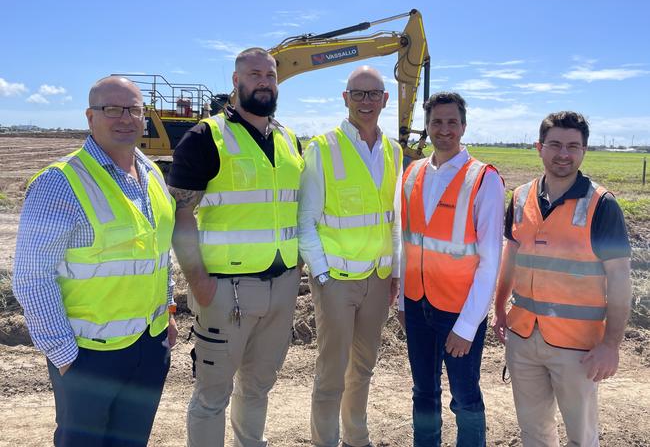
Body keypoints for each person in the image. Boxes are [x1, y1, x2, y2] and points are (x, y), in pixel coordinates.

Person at [12, 76, 177, 447]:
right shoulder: (60, 182)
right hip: (89, 355)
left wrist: (167, 311)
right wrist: (66, 358)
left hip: (149, 347)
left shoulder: (151, 173)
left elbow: (157, 252)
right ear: (90, 117)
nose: (125, 118)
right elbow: (31, 277)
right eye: (112, 109)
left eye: (134, 109)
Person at [168, 47, 304, 447]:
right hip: (225, 290)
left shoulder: (288, 139)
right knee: (212, 396)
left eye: (271, 75)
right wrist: (200, 284)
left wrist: (295, 273)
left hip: (280, 287)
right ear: (236, 81)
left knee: (258, 388)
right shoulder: (206, 137)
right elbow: (180, 217)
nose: (264, 81)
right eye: (255, 74)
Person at [492, 111, 632, 446]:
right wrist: (499, 311)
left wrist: (611, 345)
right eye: (554, 144)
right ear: (539, 147)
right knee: (534, 431)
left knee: (581, 436)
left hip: (579, 346)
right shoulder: (521, 197)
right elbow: (510, 258)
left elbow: (620, 280)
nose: (563, 154)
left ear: (584, 151)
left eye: (573, 146)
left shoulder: (603, 205)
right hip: (523, 336)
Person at [298, 65, 402, 447]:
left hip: (377, 279)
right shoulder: (322, 149)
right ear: (345, 99)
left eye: (373, 94)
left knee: (363, 367)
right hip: (336, 281)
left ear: (385, 100)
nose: (366, 101)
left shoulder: (393, 151)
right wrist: (322, 276)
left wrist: (394, 270)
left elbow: (392, 218)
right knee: (331, 371)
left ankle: (356, 438)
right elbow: (305, 221)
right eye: (358, 94)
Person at [399, 92, 504, 446]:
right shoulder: (412, 174)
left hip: (459, 310)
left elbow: (491, 259)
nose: (444, 129)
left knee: (465, 397)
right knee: (423, 392)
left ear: (463, 126)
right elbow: (407, 244)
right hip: (417, 304)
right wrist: (402, 302)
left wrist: (468, 325)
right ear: (427, 128)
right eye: (437, 122)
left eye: (452, 122)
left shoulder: (484, 179)